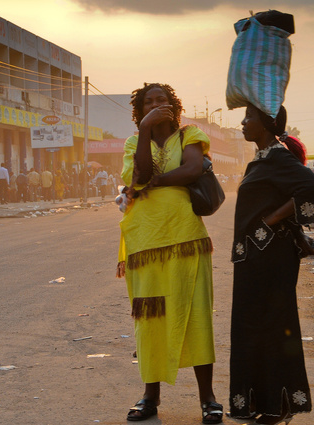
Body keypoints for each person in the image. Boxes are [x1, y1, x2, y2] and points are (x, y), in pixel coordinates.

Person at [116, 83, 221, 423]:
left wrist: (153, 185)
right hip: (144, 242)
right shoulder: (134, 141)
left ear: (174, 105)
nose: (156, 104)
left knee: (196, 315)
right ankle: (150, 397)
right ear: (140, 110)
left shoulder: (190, 134)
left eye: (162, 99)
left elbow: (192, 170)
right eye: (149, 102)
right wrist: (145, 129)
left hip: (186, 237)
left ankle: (208, 399)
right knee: (150, 320)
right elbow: (141, 172)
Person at [229, 103, 314, 425]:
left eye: (249, 117)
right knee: (252, 328)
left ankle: (281, 405)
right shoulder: (262, 159)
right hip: (254, 259)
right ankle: (262, 402)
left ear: (267, 122)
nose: (243, 122)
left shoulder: (278, 156)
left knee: (273, 327)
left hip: (270, 259)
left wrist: (271, 220)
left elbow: (312, 187)